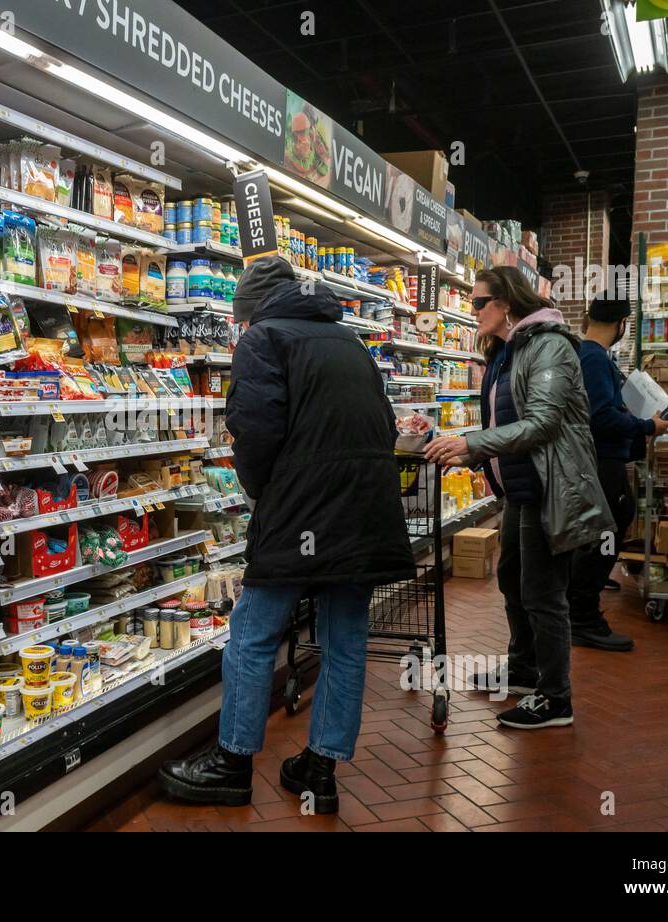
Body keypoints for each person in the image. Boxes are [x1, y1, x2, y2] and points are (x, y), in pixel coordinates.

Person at [158, 255, 414, 812]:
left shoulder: (262, 340)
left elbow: (253, 432)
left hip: (301, 514)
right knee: (344, 639)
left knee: (252, 633)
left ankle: (231, 763)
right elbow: (385, 426)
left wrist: (262, 495)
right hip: (366, 514)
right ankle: (319, 770)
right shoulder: (351, 344)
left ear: (250, 310)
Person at [425, 267, 611, 730]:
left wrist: (473, 444)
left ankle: (555, 698)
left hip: (548, 489)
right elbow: (502, 422)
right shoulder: (508, 352)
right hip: (519, 489)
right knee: (512, 580)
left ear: (506, 303)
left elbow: (543, 422)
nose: (472, 312)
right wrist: (468, 453)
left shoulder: (549, 346)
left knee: (543, 594)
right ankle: (525, 668)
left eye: (478, 303)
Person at [566, 291, 668, 651]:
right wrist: (646, 426)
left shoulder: (592, 355)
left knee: (608, 527)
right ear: (621, 324)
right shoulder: (594, 358)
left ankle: (581, 603)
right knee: (606, 530)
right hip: (601, 460)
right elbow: (599, 416)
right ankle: (581, 615)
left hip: (602, 459)